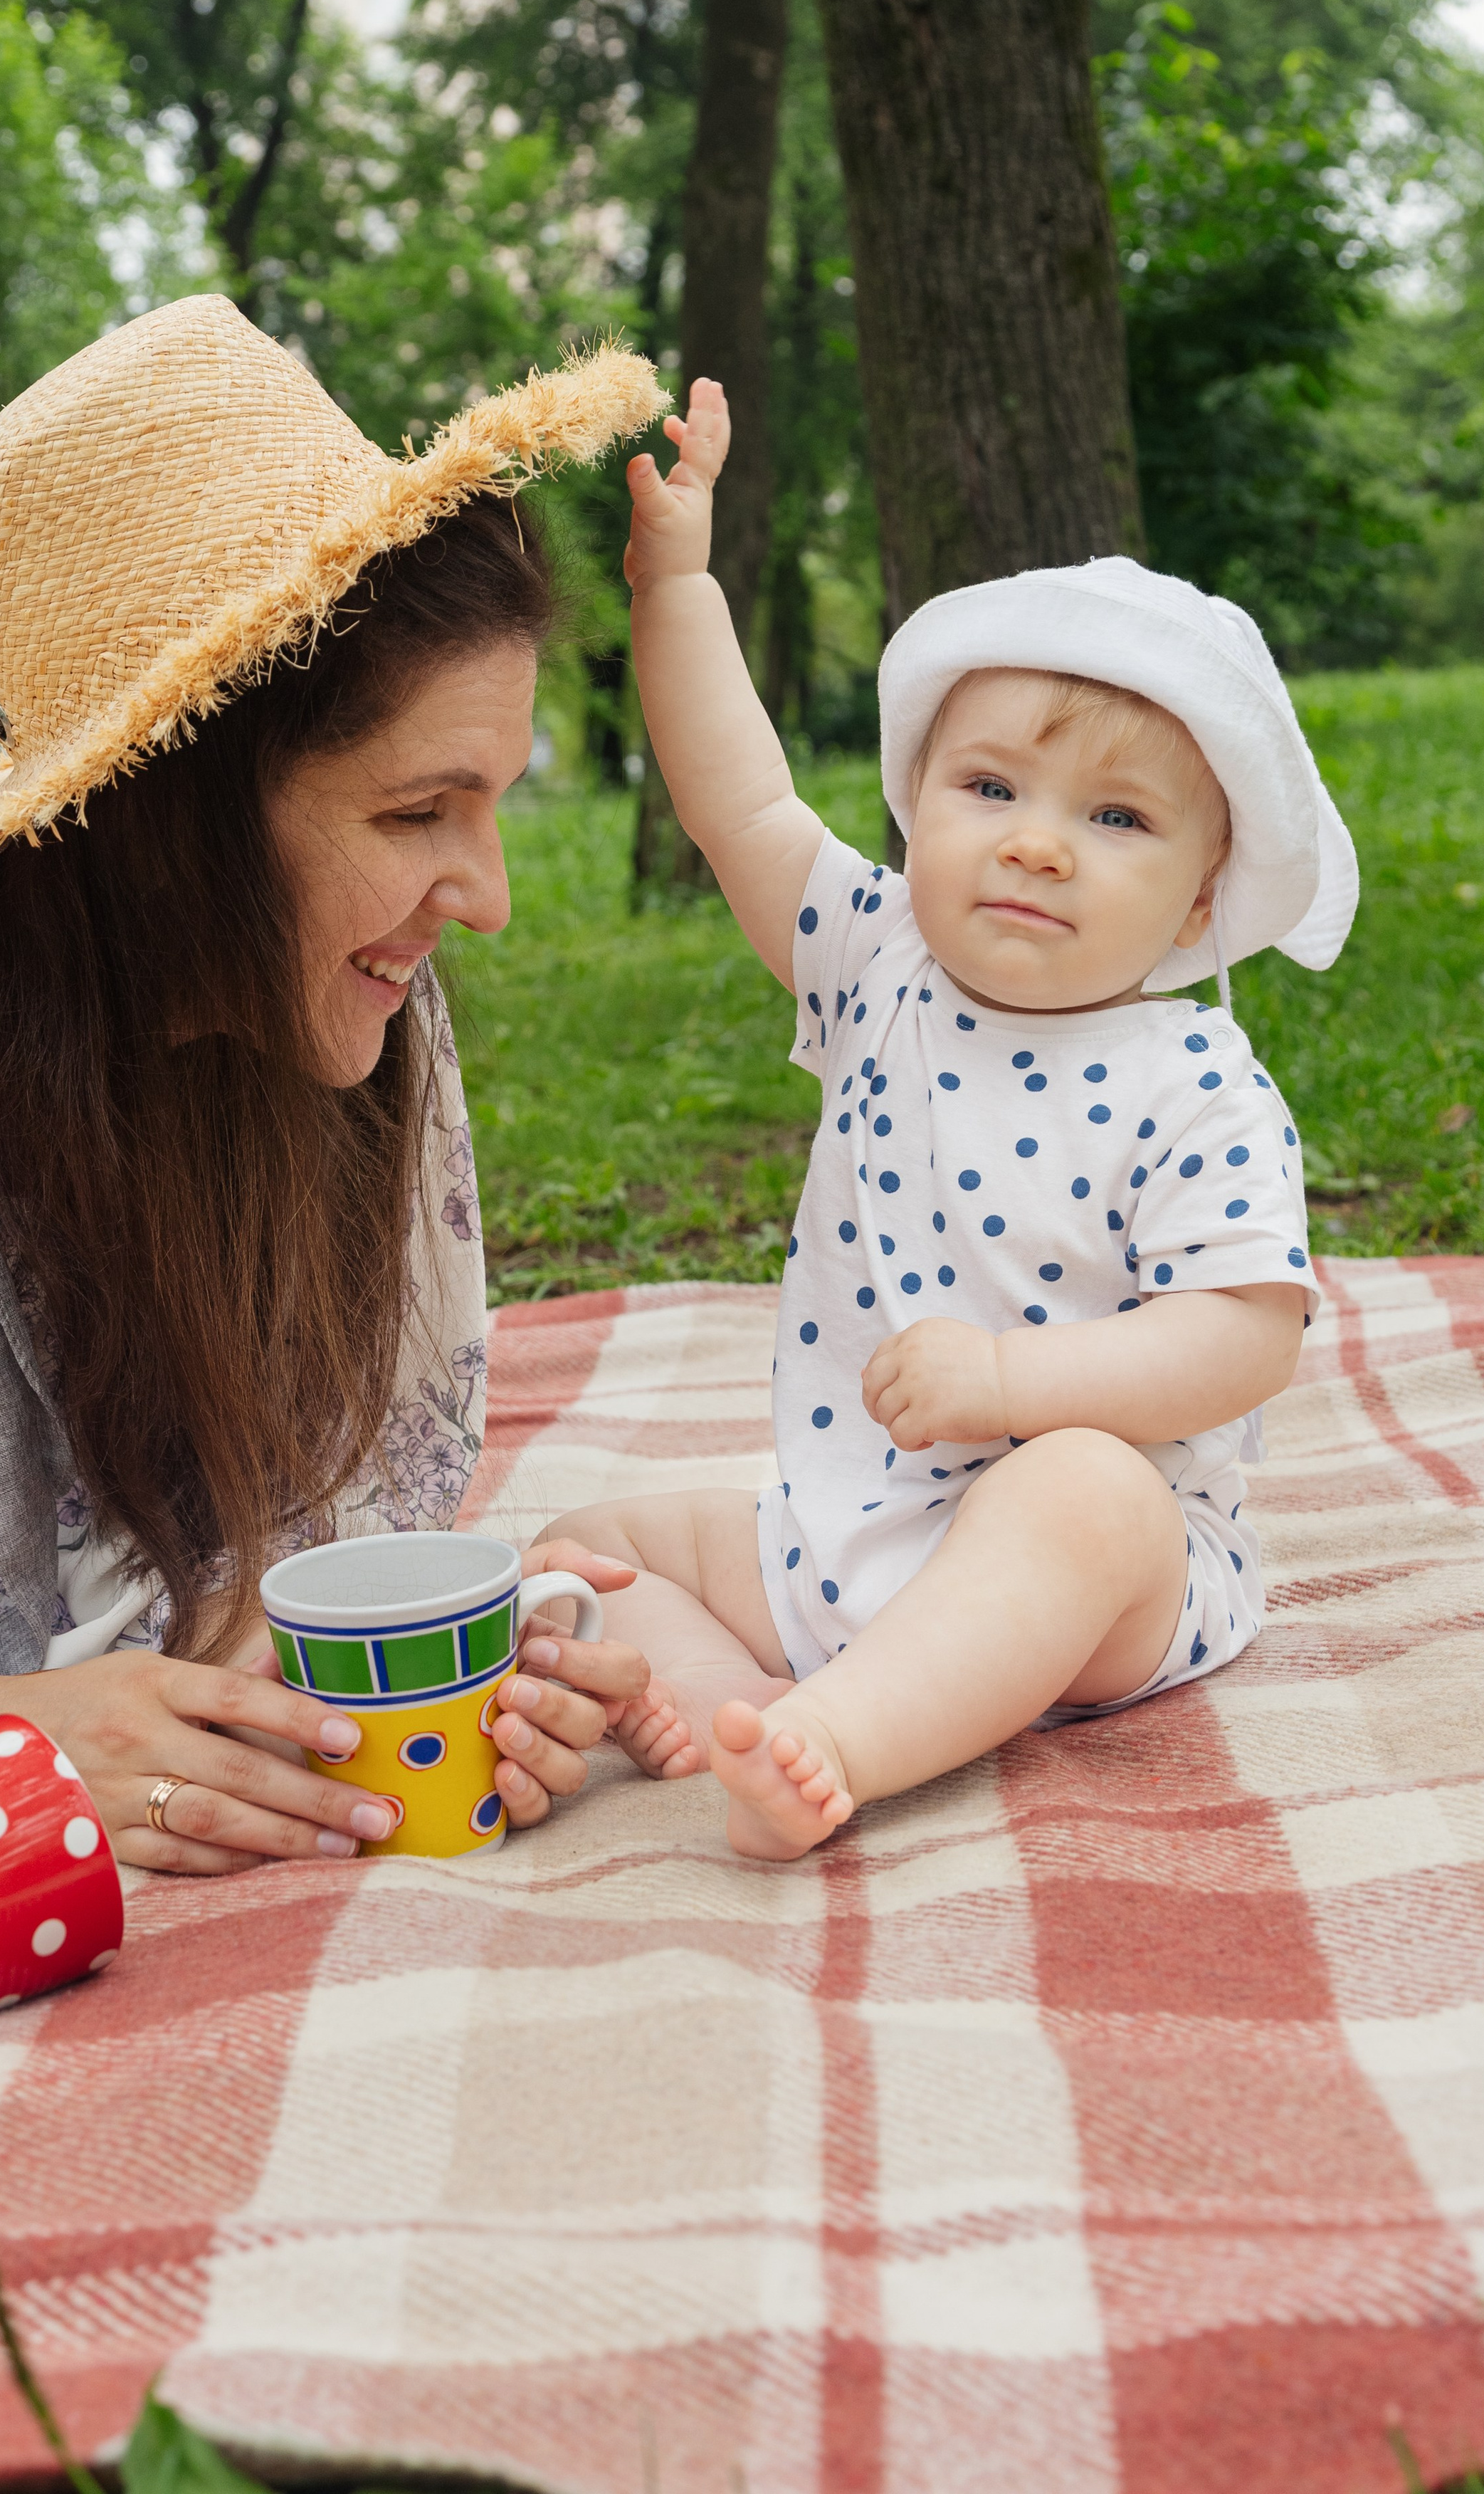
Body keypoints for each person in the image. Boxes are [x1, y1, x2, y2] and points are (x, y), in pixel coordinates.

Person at [0, 295, 663, 1870]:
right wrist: (33, 1735)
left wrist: (397, 1689)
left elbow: (305, 1547)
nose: (482, 895)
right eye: (420, 811)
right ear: (166, 827)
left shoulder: (331, 1009)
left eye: (487, 806)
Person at [540, 382, 1361, 1861]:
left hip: (1094, 1579)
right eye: (989, 786)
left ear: (1194, 899)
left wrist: (1008, 1377)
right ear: (916, 805)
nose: (1038, 839)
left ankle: (836, 1741)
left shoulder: (1195, 1079)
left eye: (1115, 819)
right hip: (843, 1535)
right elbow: (739, 803)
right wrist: (676, 584)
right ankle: (732, 1706)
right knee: (584, 1549)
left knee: (1087, 1489)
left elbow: (1245, 1334)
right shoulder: (874, 964)